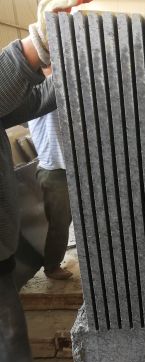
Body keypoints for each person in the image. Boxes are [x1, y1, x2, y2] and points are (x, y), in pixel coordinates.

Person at [0, 0, 92, 362]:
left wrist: (74, 66)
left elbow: (36, 99)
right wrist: (33, 47)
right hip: (52, 170)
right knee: (9, 341)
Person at [29, 93, 73, 280]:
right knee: (59, 223)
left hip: (76, 166)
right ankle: (52, 266)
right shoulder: (41, 93)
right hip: (54, 169)